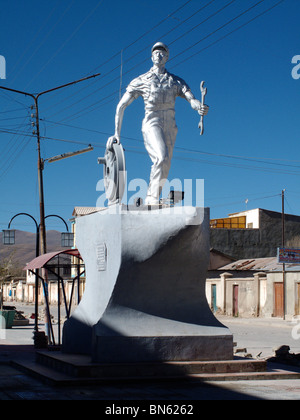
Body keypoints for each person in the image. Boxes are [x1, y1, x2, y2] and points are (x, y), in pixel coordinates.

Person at [107, 42, 209, 205]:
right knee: (161, 157)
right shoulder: (141, 80)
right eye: (155, 53)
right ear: (151, 57)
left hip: (170, 123)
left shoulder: (176, 81)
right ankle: (152, 199)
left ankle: (154, 195)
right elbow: (122, 106)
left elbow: (191, 99)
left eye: (162, 53)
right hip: (152, 121)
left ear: (167, 57)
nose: (159, 55)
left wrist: (199, 107)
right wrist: (117, 133)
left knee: (166, 161)